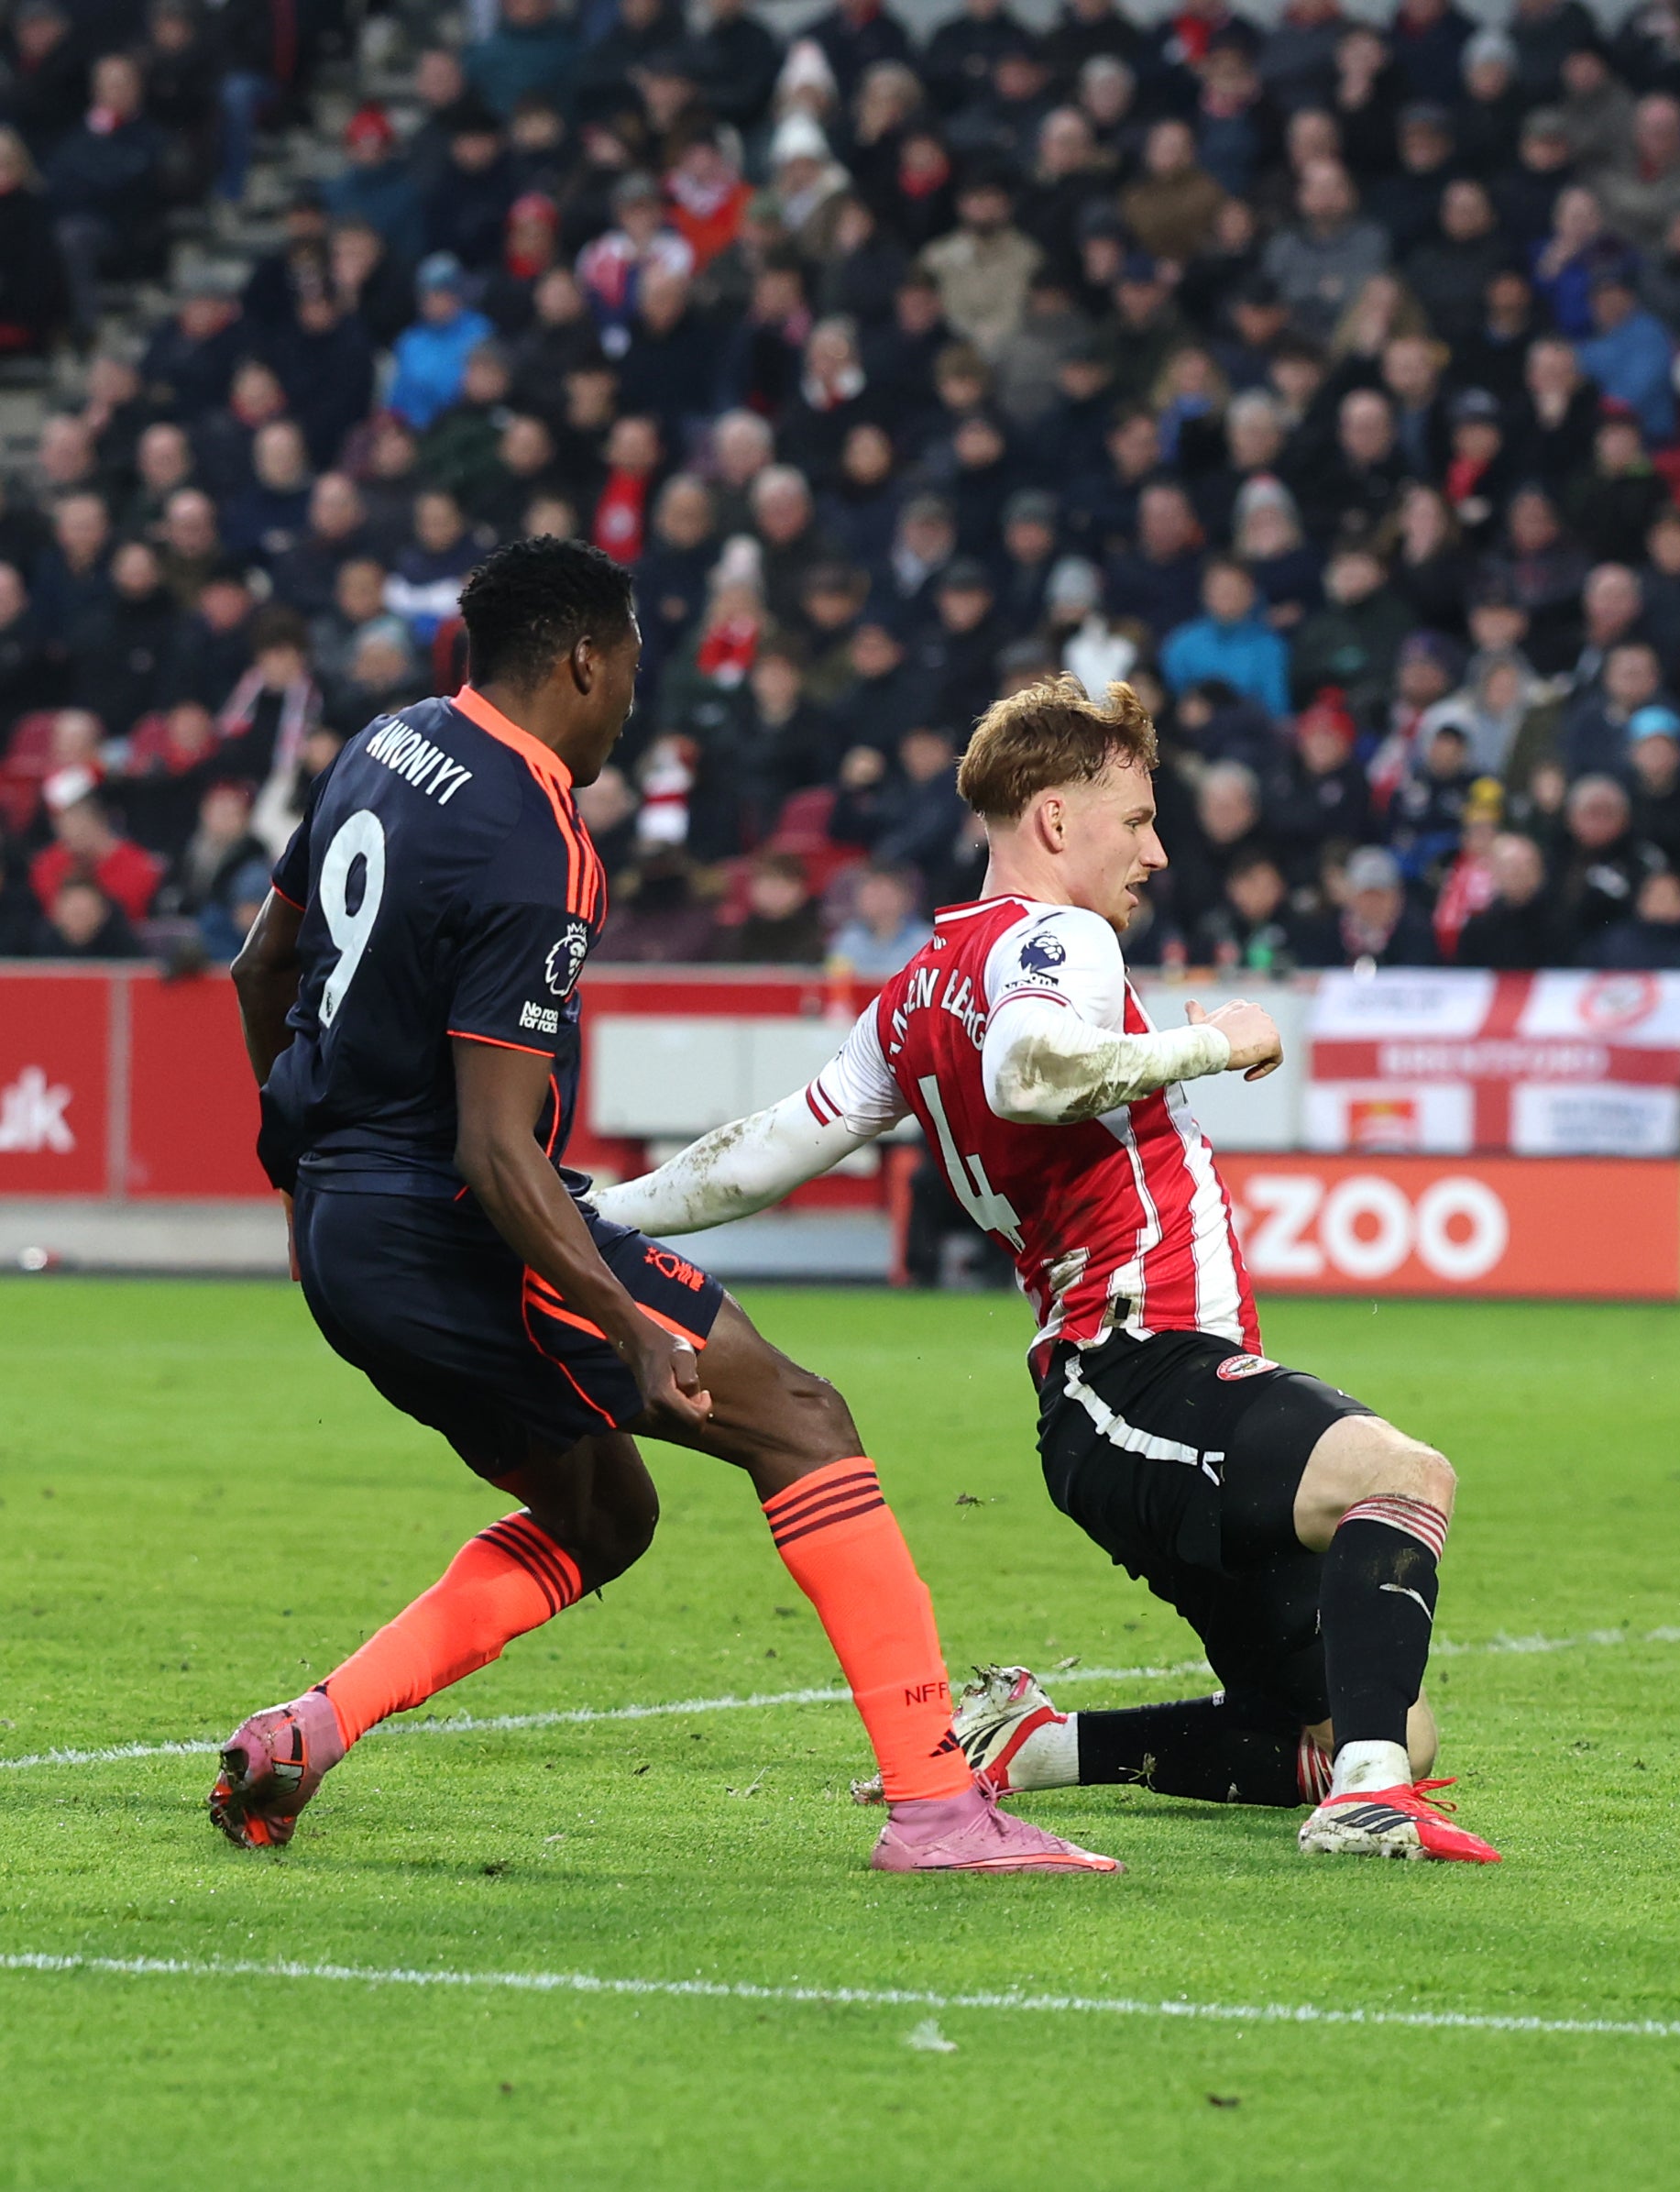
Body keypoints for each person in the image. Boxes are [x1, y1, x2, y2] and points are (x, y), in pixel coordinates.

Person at [212, 538, 1104, 1876]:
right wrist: (625, 1325)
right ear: (583, 658)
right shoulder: (536, 831)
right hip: (453, 1229)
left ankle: (304, 1732)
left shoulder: (381, 745)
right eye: (631, 662)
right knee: (802, 1419)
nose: (637, 691)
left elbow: (257, 965)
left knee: (605, 1515)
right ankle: (936, 1805)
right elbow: (497, 1150)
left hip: (350, 1237)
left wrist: (304, 1179)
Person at [595, 675, 1498, 1863]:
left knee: (1371, 1720)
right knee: (1402, 1475)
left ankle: (1045, 1740)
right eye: (1135, 819)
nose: (1158, 850)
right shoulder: (1055, 934)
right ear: (1056, 819)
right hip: (1135, 1372)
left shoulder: (917, 986)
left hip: (1129, 1402)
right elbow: (1030, 1072)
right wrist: (1211, 1042)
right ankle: (1371, 1800)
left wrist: (599, 1213)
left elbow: (761, 1151)